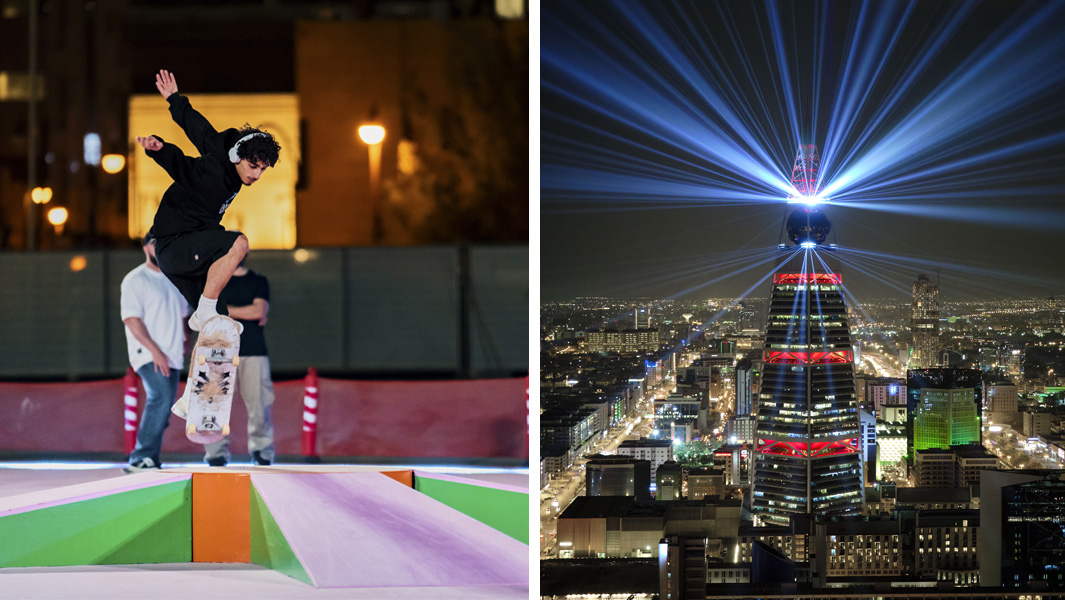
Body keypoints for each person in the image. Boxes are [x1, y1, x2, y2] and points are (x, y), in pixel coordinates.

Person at [135, 69, 281, 418]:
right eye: (252, 167)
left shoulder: (224, 148)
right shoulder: (213, 174)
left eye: (262, 170)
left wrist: (174, 99)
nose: (255, 176)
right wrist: (159, 149)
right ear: (238, 158)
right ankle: (204, 310)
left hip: (187, 249)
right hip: (174, 243)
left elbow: (197, 127)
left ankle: (191, 396)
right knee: (238, 242)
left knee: (220, 325)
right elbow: (182, 166)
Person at [120, 234, 189, 473]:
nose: (159, 248)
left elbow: (182, 313)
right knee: (159, 397)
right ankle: (141, 457)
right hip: (148, 353)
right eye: (154, 243)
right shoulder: (136, 279)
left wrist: (184, 339)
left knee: (165, 405)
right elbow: (131, 318)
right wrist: (155, 351)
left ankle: (150, 459)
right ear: (145, 246)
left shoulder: (173, 279)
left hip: (172, 355)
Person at [204, 256, 276, 466]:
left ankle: (262, 451)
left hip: (253, 350)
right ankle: (215, 453)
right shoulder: (215, 281)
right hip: (219, 350)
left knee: (259, 403)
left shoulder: (258, 280)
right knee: (215, 404)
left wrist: (226, 311)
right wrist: (245, 312)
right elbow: (208, 312)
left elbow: (258, 310)